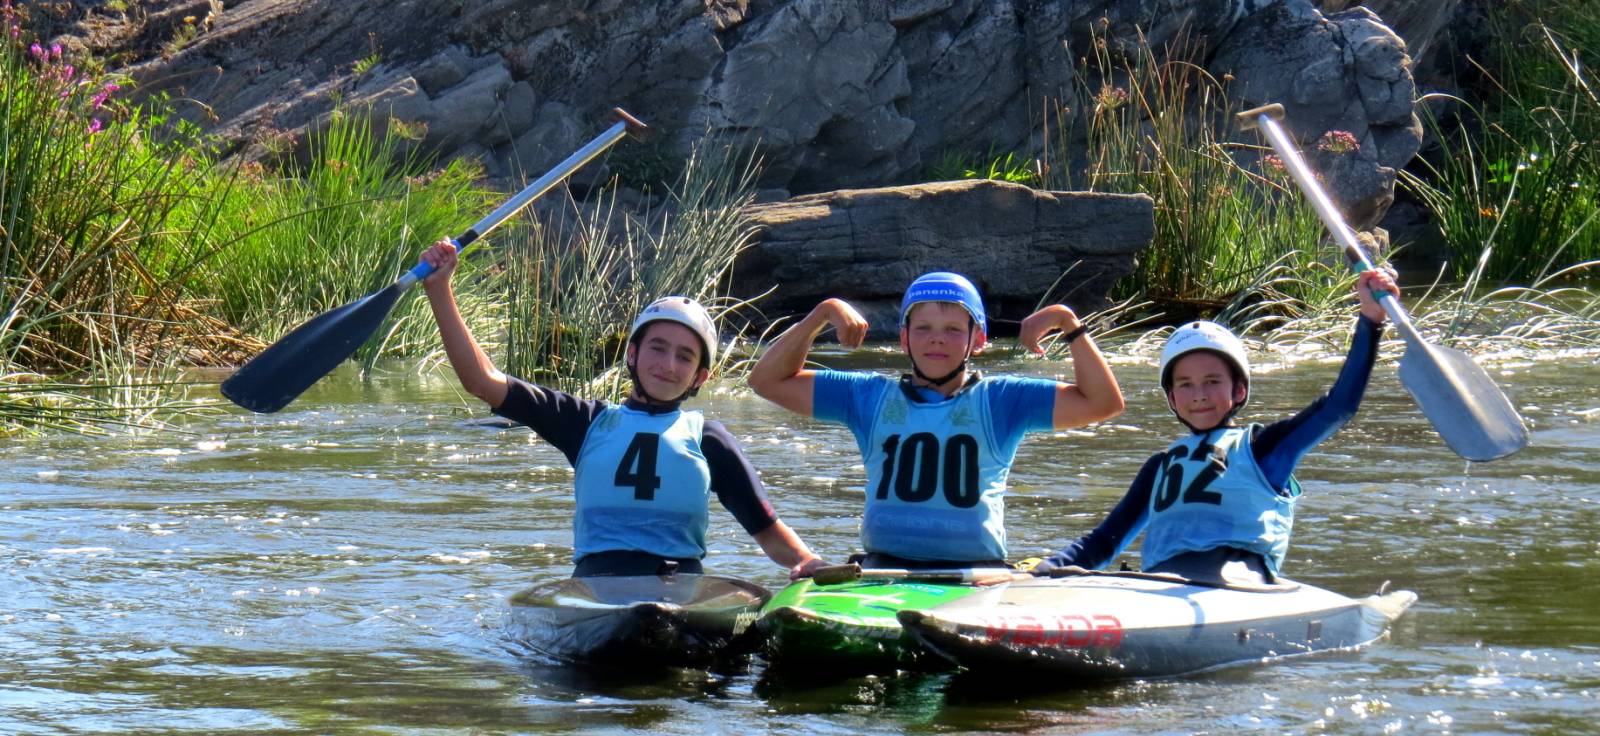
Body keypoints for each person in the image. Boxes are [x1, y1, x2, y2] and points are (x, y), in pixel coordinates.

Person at [418, 239, 828, 579]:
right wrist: (440, 289)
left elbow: (768, 531)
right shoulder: (584, 422)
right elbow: (481, 380)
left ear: (700, 377)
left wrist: (810, 563)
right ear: (632, 354)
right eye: (657, 348)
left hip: (681, 589)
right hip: (598, 586)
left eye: (685, 357)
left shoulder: (709, 439)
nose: (668, 365)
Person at [1031, 269, 1402, 585]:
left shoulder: (1264, 448)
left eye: (1212, 381)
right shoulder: (1160, 467)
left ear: (1238, 390)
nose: (1199, 395)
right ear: (1172, 398)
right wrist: (1043, 571)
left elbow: (1338, 407)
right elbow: (1103, 543)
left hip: (1237, 583)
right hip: (1161, 585)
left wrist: (1370, 321)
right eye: (1185, 385)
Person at [747, 271, 1125, 568]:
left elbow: (1104, 402)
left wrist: (1069, 323)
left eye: (953, 330)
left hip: (978, 572)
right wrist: (821, 314)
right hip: (884, 567)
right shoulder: (867, 396)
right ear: (904, 339)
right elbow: (765, 381)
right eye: (923, 328)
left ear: (978, 341)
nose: (937, 340)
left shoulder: (1004, 399)